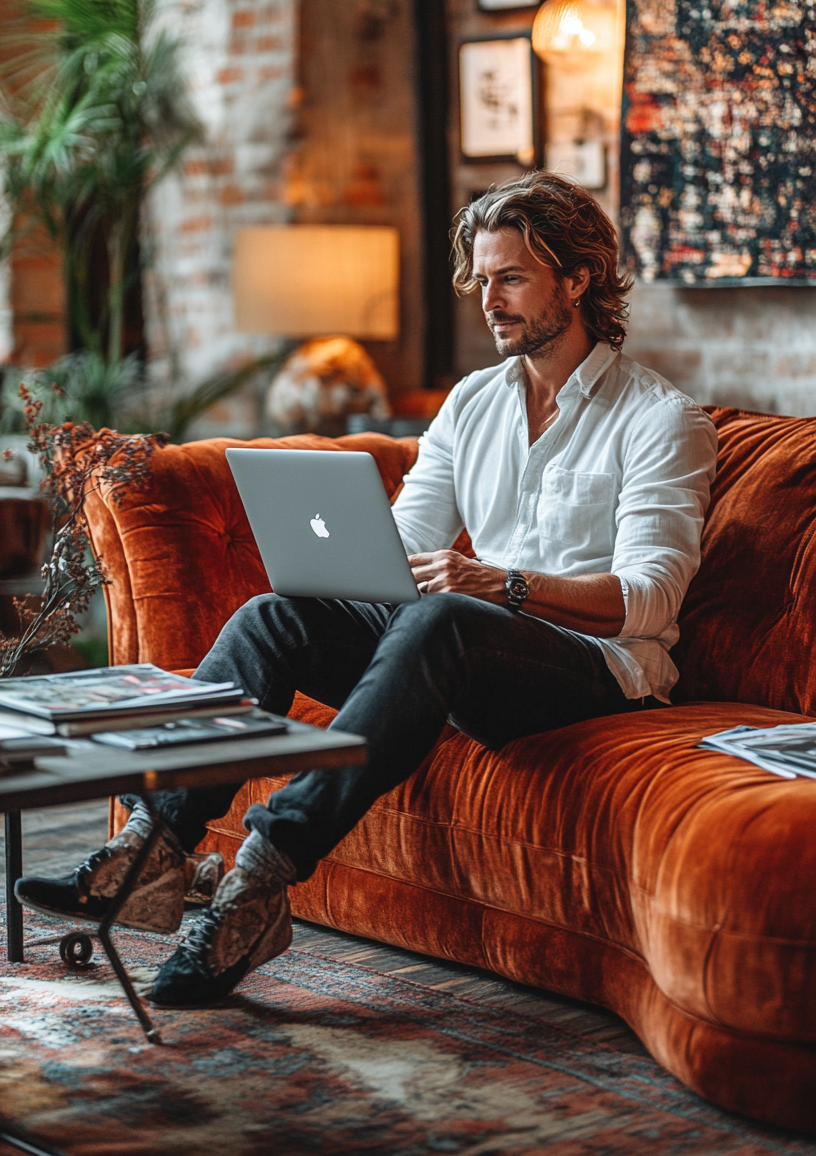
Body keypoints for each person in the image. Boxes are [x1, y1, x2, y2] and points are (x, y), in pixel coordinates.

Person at [16, 173, 718, 1008]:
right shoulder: (471, 404)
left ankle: (256, 883)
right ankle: (151, 849)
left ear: (578, 280)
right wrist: (341, 564)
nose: (488, 300)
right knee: (277, 617)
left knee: (445, 619)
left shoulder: (659, 419)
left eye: (512, 278)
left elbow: (651, 598)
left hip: (598, 672)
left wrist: (505, 584)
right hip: (464, 655)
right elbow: (407, 541)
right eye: (481, 279)